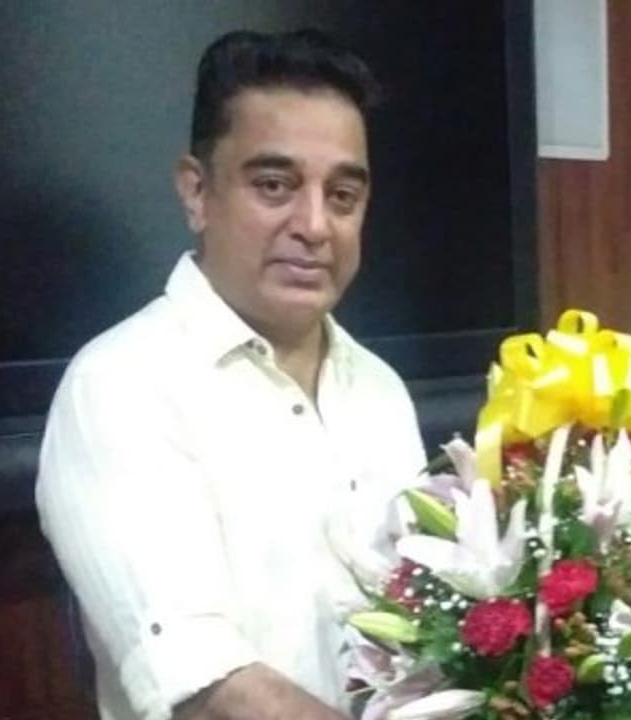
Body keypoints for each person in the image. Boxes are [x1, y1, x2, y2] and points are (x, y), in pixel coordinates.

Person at [35, 29, 425, 720]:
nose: (315, 225)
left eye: (342, 195)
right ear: (196, 192)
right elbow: (206, 686)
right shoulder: (120, 387)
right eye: (274, 186)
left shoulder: (381, 392)